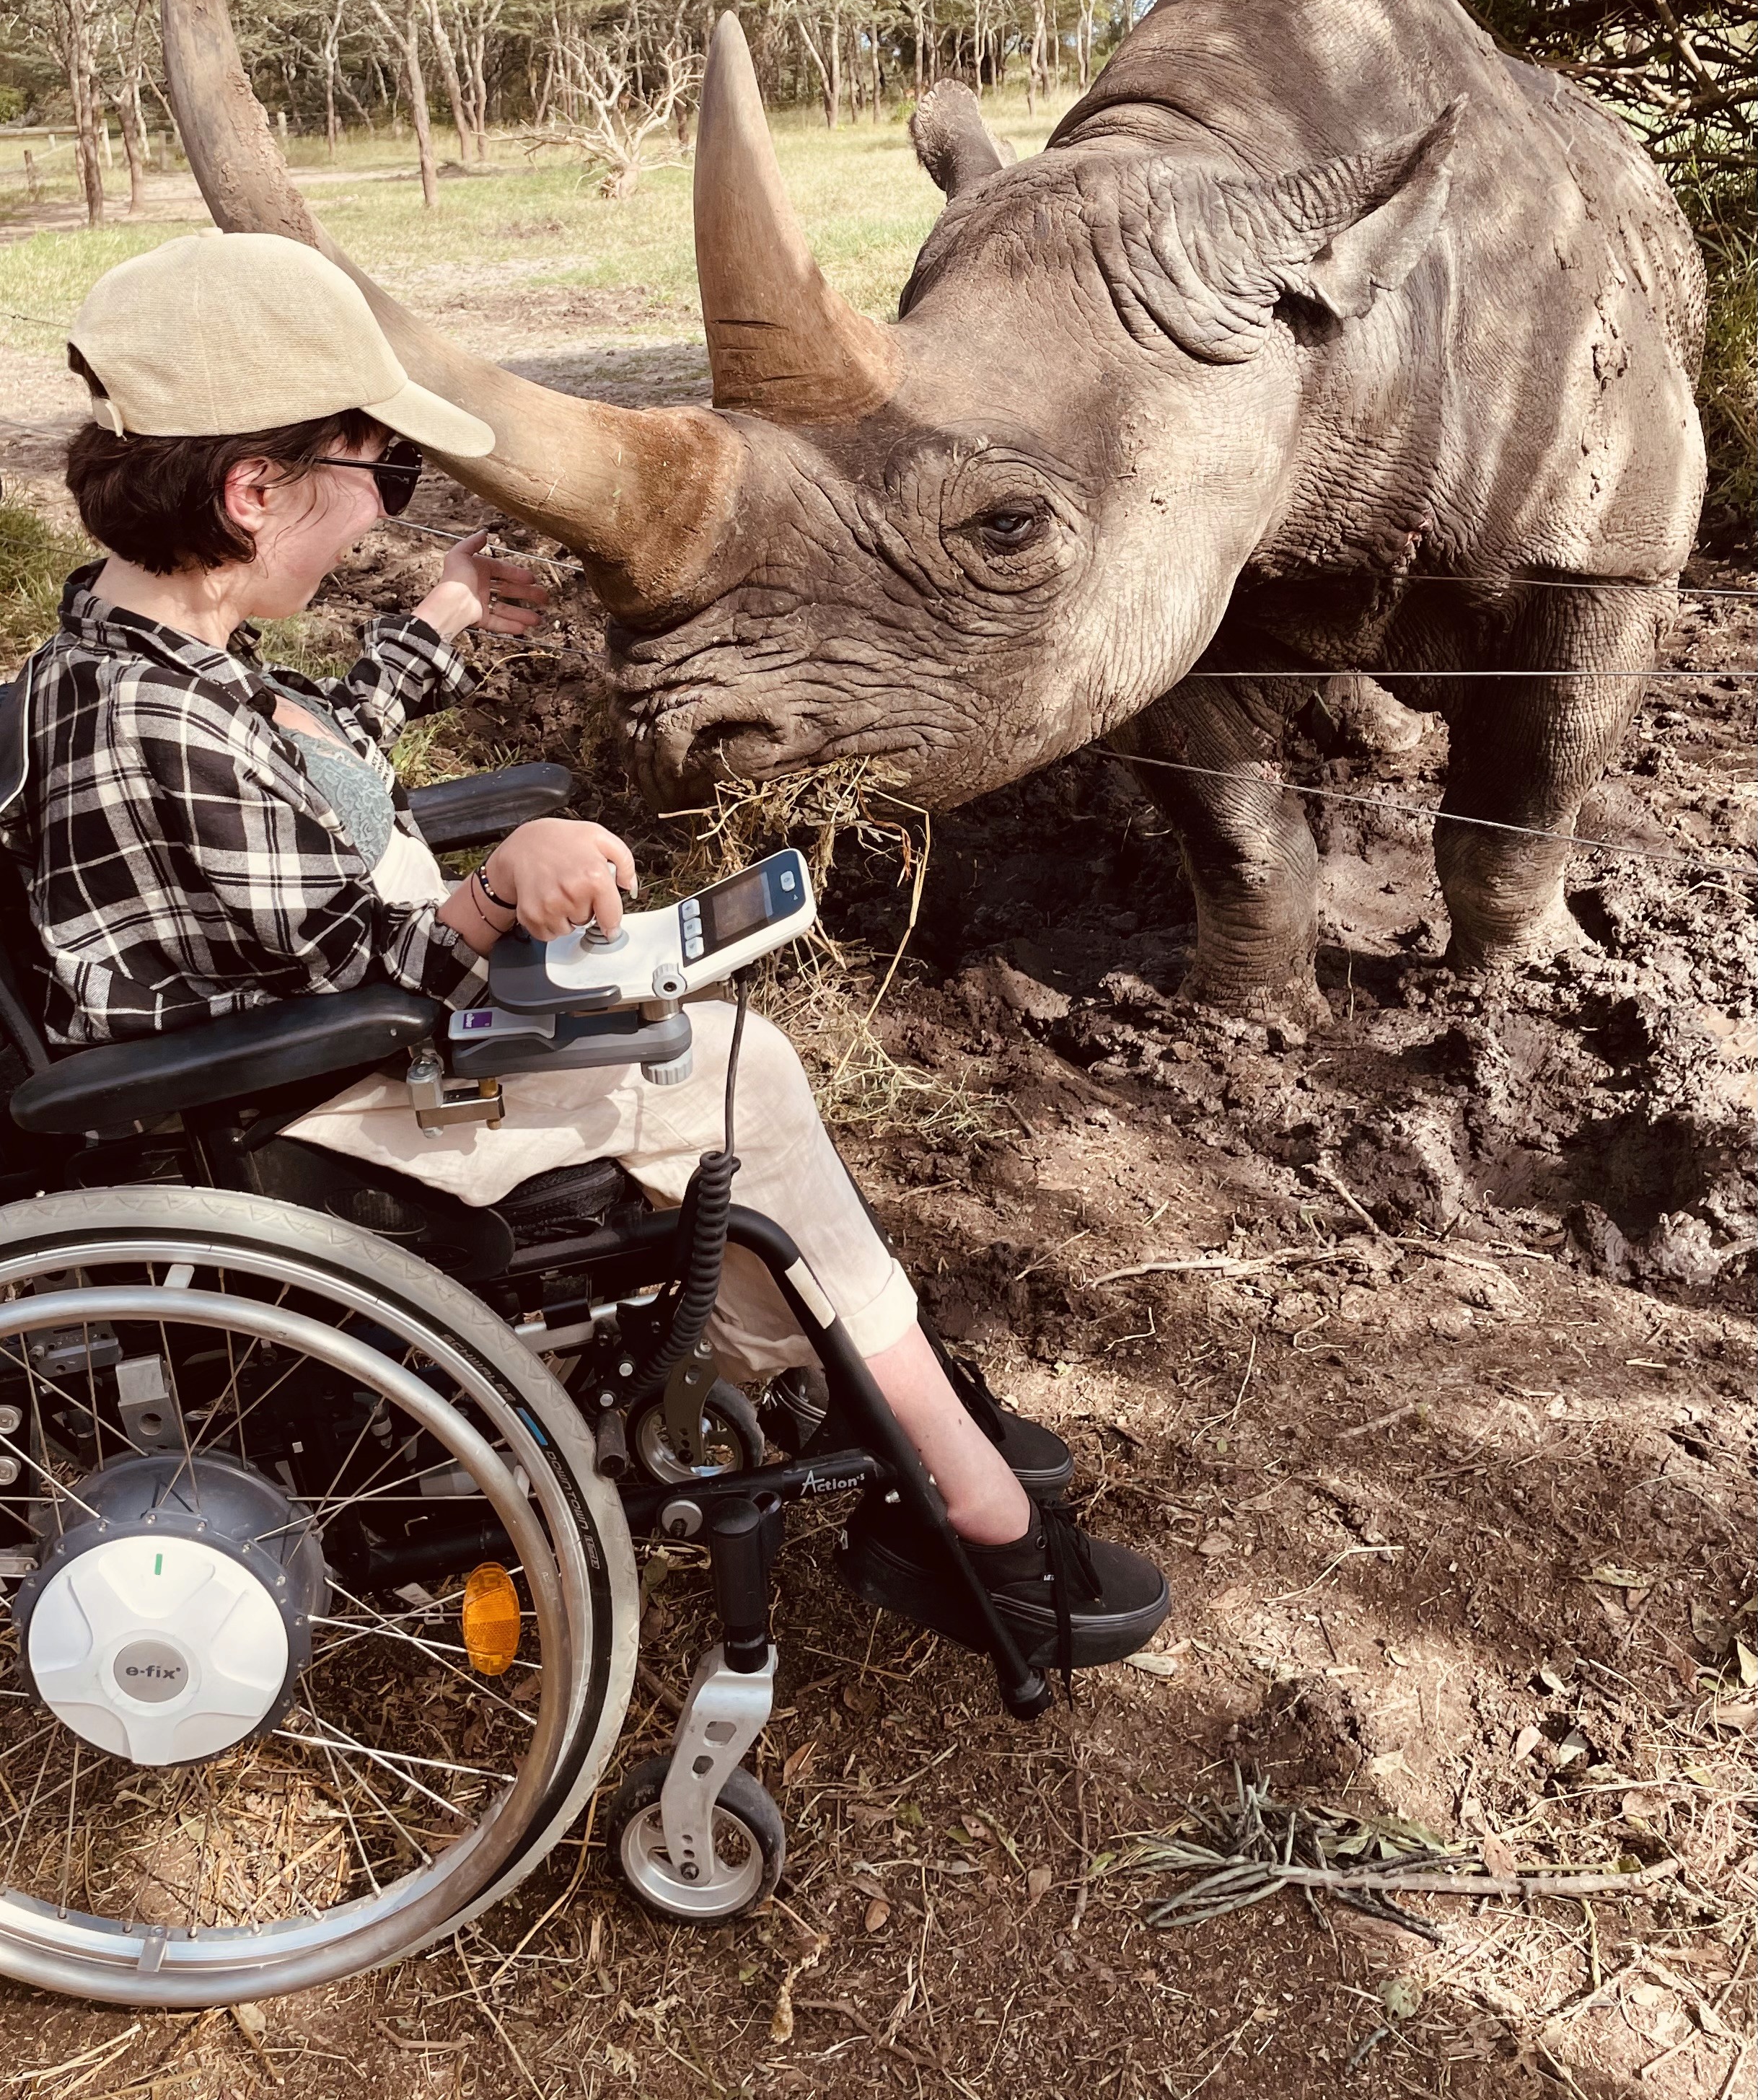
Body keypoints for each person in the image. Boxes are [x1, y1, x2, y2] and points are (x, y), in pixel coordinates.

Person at [12, 230, 1167, 1671]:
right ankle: (961, 1497)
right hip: (311, 1109)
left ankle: (857, 1383)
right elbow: (350, 947)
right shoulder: (156, 721)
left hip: (322, 1046)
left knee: (699, 1043)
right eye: (380, 477)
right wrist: (493, 903)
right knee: (734, 1070)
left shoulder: (128, 654)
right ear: (255, 491)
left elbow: (302, 786)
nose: (384, 512)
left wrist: (436, 621)